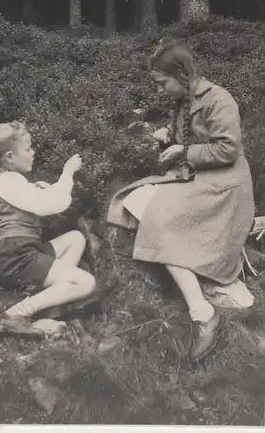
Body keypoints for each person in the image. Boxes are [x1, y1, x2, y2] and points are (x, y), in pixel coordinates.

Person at [107, 43, 255, 362]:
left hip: (226, 185)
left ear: (182, 75)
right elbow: (189, 142)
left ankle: (202, 312)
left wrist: (183, 152)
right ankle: (199, 283)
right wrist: (169, 141)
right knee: (137, 200)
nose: (161, 90)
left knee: (160, 216)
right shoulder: (182, 101)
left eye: (163, 83)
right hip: (199, 177)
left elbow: (227, 150)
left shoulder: (219, 98)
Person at [0, 120, 96, 339]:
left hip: (22, 250)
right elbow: (52, 205)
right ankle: (15, 314)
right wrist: (67, 174)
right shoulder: (8, 180)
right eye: (27, 149)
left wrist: (46, 191)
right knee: (86, 282)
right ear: (9, 158)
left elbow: (42, 200)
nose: (33, 152)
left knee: (75, 238)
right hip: (14, 255)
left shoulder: (10, 181)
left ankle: (49, 303)